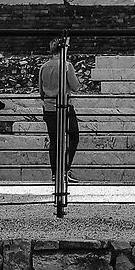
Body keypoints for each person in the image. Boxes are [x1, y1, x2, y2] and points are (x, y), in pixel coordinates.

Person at [36, 47, 83, 184]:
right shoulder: (66, 66)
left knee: (54, 141)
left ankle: (55, 174)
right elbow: (75, 86)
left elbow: (41, 91)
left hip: (49, 108)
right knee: (73, 137)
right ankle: (65, 170)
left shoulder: (43, 67)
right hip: (64, 107)